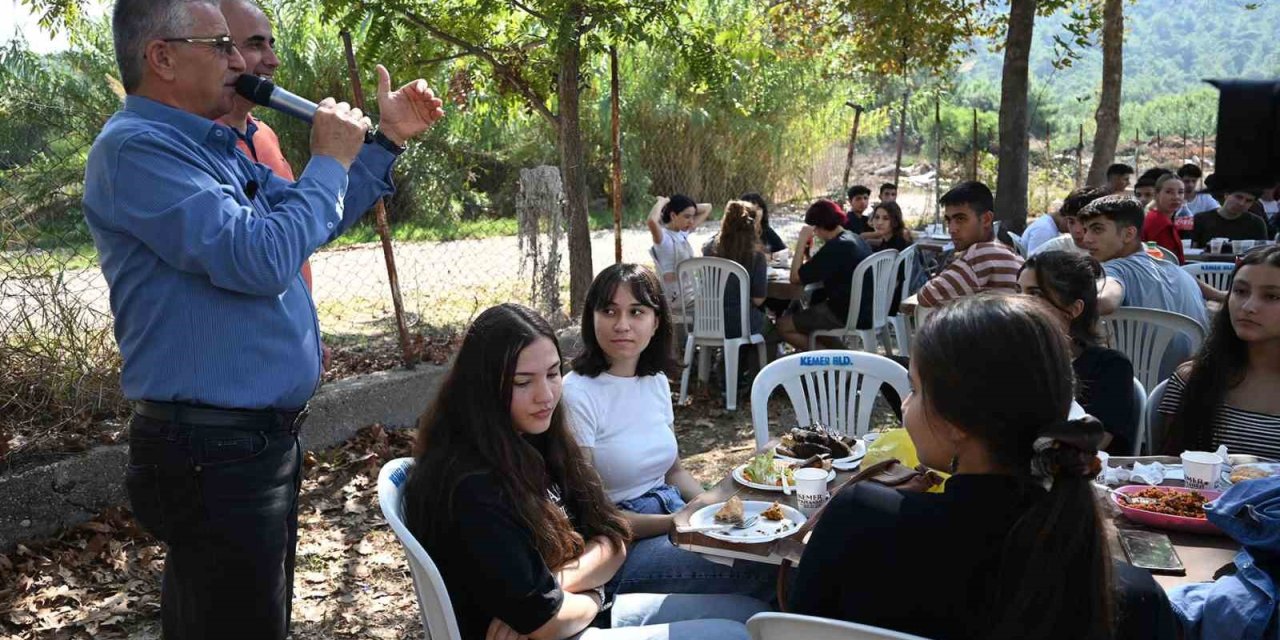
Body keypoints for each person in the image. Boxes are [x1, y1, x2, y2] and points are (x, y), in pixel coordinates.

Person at [84, 1, 444, 637]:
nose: (240, 60)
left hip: (248, 445)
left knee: (239, 620)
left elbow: (312, 220)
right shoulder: (137, 150)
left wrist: (383, 142)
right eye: (220, 44)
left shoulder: (213, 145)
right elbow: (261, 258)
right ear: (161, 57)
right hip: (209, 452)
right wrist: (329, 158)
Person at [789, 294, 1177, 640]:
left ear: (958, 425)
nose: (906, 406)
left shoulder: (861, 520)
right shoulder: (1129, 596)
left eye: (916, 390)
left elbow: (798, 628)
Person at [405, 303, 768, 640]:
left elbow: (612, 533)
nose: (545, 395)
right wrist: (591, 592)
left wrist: (564, 589)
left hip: (578, 606)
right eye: (522, 382)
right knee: (731, 634)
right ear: (482, 387)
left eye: (551, 374)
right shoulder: (475, 485)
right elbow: (545, 621)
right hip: (563, 624)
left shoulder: (532, 439)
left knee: (752, 614)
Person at [561, 265, 778, 602]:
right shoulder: (577, 393)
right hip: (620, 544)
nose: (622, 325)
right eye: (609, 311)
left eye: (636, 312)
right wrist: (683, 520)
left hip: (671, 511)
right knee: (762, 569)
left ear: (656, 321)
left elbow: (674, 471)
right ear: (591, 317)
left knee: (775, 546)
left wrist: (718, 503)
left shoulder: (655, 381)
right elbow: (596, 516)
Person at [216, 0, 331, 369]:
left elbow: (304, 229)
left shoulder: (264, 134)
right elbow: (260, 258)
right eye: (254, 45)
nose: (272, 60)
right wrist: (330, 160)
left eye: (271, 44)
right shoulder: (193, 150)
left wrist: (306, 329)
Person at [1156, 246, 1280, 459]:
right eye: (1240, 291)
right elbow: (1170, 470)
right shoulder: (1192, 378)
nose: (1248, 306)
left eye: (1271, 296)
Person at [1018, 252, 1138, 453]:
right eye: (1018, 291)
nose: (1019, 302)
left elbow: (1094, 442)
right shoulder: (1011, 357)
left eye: (1035, 293)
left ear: (1074, 309)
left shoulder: (1109, 367)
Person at [775, 199, 873, 350]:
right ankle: (843, 357)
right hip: (866, 308)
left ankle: (832, 362)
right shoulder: (853, 238)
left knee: (783, 326)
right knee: (814, 324)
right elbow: (817, 268)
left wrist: (801, 241)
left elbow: (795, 278)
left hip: (843, 313)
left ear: (819, 227)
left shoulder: (836, 247)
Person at [917, 181, 1023, 307]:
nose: (952, 229)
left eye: (960, 219)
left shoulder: (980, 254)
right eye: (949, 220)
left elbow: (926, 296)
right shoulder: (1009, 253)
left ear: (986, 219)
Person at [702, 200, 769, 340]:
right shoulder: (756, 256)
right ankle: (754, 361)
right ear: (752, 226)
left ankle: (724, 360)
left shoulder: (708, 248)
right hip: (739, 323)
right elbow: (758, 300)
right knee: (772, 329)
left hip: (707, 320)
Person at [647, 194, 712, 306]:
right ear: (673, 215)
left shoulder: (683, 233)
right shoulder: (663, 238)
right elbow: (652, 221)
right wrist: (662, 202)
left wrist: (686, 206)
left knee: (718, 298)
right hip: (676, 297)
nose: (691, 221)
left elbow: (708, 207)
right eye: (687, 217)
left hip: (689, 292)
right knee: (714, 304)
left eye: (693, 216)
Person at [1029, 187, 1107, 257]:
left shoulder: (1111, 252)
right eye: (1071, 222)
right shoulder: (1053, 249)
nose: (1077, 230)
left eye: (1083, 223)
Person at [1191, 189, 1270, 248]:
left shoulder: (1256, 223)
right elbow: (1191, 251)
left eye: (1248, 201)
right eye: (1238, 197)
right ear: (1226, 194)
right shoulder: (1200, 219)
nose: (1241, 203)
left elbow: (1262, 255)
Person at [1143, 173, 1188, 264]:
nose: (1176, 197)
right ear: (1156, 194)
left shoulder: (1155, 217)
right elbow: (1166, 263)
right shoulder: (1160, 223)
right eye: (1169, 192)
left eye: (1180, 192)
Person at [739, 192, 786, 257]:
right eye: (751, 209)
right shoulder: (735, 232)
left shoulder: (766, 230)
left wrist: (773, 256)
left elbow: (783, 250)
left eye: (758, 208)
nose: (755, 212)